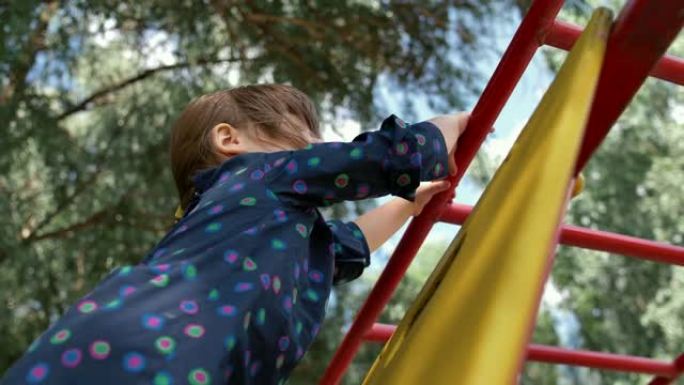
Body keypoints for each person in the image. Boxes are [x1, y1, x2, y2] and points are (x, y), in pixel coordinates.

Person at [1, 84, 468, 385]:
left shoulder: (266, 227)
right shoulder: (254, 176)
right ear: (231, 141)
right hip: (149, 345)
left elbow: (344, 246)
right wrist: (457, 125)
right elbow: (381, 158)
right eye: (302, 140)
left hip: (187, 356)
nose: (315, 148)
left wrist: (409, 204)